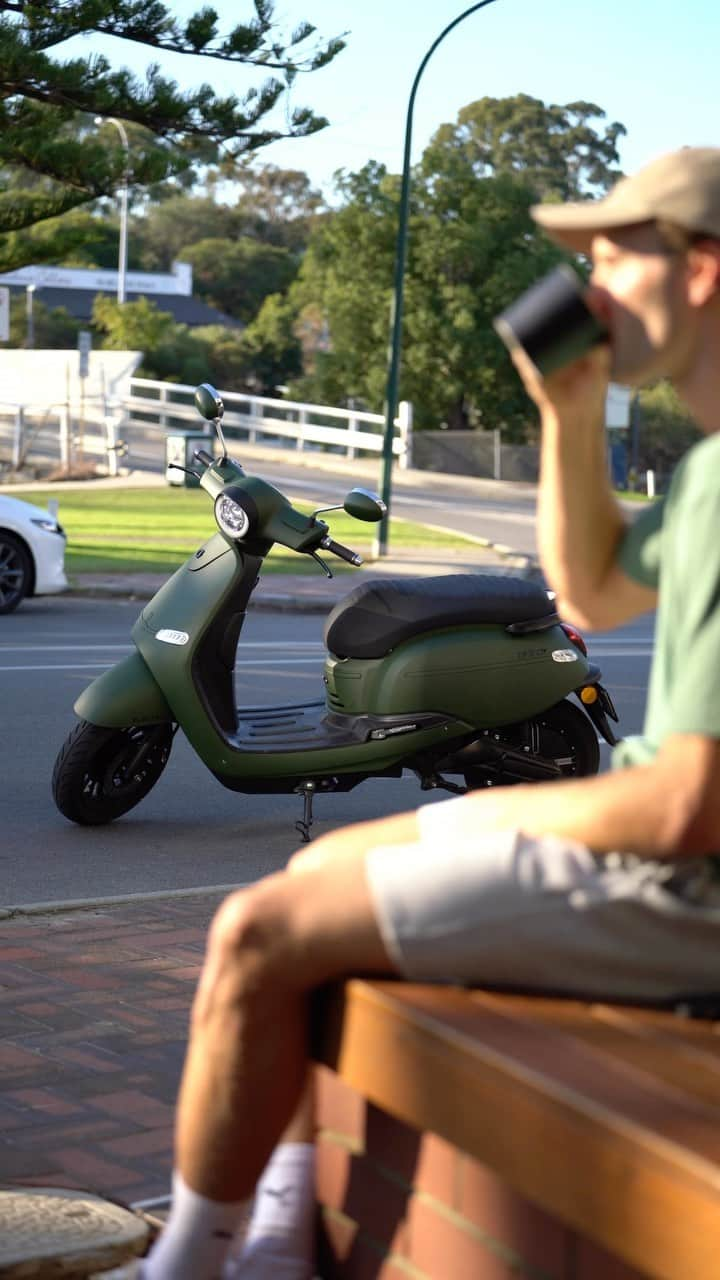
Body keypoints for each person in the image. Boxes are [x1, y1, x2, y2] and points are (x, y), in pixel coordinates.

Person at [141, 146, 720, 1280]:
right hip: (675, 867)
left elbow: (693, 804)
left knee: (257, 931)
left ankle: (193, 1265)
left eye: (612, 253)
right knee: (308, 886)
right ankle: (272, 1240)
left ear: (700, 269)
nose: (588, 287)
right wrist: (567, 407)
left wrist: (480, 828)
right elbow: (595, 587)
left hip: (686, 895)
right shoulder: (705, 476)